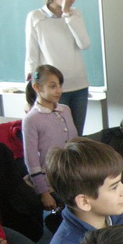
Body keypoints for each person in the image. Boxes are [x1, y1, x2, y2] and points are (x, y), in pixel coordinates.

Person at [25, 0, 90, 135]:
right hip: (52, 89)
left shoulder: (75, 14)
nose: (72, 0)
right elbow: (32, 55)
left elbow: (84, 44)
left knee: (77, 137)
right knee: (57, 137)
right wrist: (30, 96)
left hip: (79, 86)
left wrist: (67, 13)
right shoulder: (36, 17)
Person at [22, 64, 77, 211]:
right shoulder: (32, 119)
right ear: (37, 87)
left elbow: (75, 143)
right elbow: (31, 160)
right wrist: (44, 192)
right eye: (52, 86)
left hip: (74, 176)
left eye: (60, 85)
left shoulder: (65, 110)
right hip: (52, 182)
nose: (58, 90)